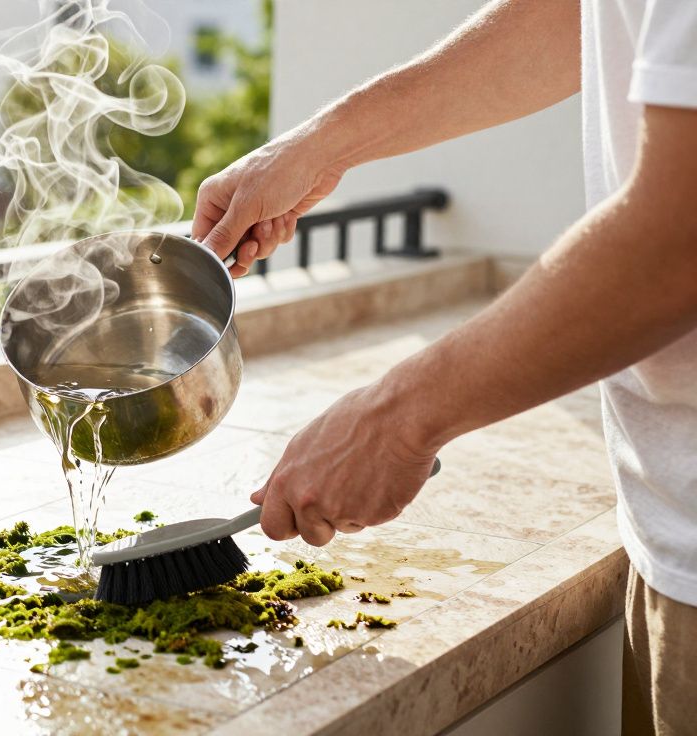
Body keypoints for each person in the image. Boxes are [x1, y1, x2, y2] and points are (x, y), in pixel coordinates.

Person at [192, 0, 697, 732]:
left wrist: (394, 422)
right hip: (667, 529)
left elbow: (676, 243)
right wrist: (320, 146)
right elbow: (585, 15)